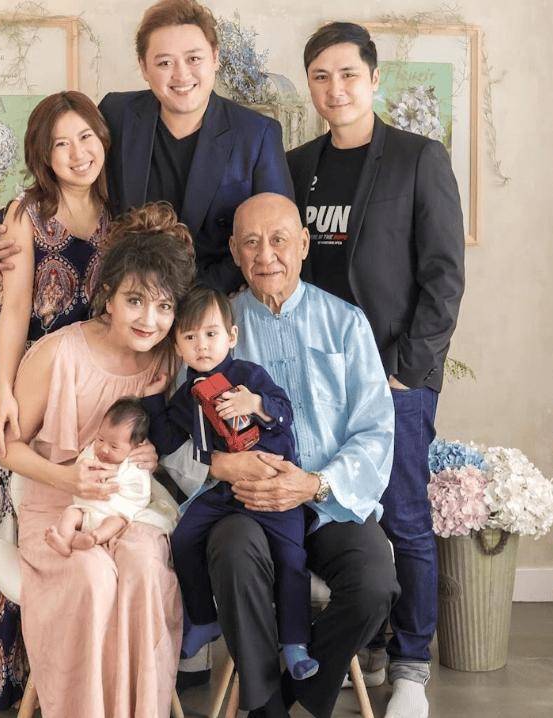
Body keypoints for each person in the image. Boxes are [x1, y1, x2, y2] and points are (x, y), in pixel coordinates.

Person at [160, 192, 399, 718]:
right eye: (251, 242)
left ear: (304, 245)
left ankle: (290, 695)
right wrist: (220, 465)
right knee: (232, 552)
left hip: (329, 501)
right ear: (234, 252)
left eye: (278, 240)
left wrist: (314, 483)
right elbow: (176, 438)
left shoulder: (345, 323)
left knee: (375, 584)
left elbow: (376, 431)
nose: (265, 254)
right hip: (245, 502)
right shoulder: (213, 330)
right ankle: (267, 709)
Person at [287, 22, 465, 718]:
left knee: (405, 517)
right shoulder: (296, 164)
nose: (335, 89)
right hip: (314, 381)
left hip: (391, 377)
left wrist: (408, 370)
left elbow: (443, 274)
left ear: (374, 80)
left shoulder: (418, 158)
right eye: (320, 77)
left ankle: (411, 666)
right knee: (334, 512)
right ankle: (360, 643)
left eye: (348, 75)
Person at [0, 202, 195, 717]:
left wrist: (153, 454)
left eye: (164, 306)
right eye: (135, 301)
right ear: (108, 295)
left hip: (129, 512)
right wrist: (68, 478)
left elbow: (172, 445)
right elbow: (7, 448)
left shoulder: (169, 361)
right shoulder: (57, 354)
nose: (149, 320)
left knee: (144, 569)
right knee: (92, 576)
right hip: (58, 510)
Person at [0, 91, 113, 709]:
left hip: (82, 385)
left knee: (65, 505)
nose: (78, 153)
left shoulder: (117, 214)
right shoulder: (28, 213)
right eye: (60, 144)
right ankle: (11, 669)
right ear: (43, 156)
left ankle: (73, 661)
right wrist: (3, 394)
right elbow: (15, 308)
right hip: (21, 377)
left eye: (86, 137)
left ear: (103, 138)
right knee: (7, 508)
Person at [0, 0, 294, 296]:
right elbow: (67, 175)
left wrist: (189, 299)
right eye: (164, 62)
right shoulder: (118, 114)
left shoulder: (257, 134)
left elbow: (282, 235)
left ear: (215, 58)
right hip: (126, 303)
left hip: (213, 308)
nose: (181, 74)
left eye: (194, 58)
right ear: (144, 67)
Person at [142, 285, 318, 681]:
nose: (202, 345)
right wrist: (153, 399)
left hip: (274, 486)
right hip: (222, 493)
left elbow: (285, 413)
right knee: (183, 539)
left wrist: (254, 404)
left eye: (211, 333)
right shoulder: (186, 396)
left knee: (292, 558)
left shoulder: (248, 377)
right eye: (190, 337)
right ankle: (204, 619)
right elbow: (167, 439)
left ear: (231, 336)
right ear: (178, 346)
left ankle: (295, 642)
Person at [45, 397, 153, 556]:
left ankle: (94, 537)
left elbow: (141, 495)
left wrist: (116, 484)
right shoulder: (91, 453)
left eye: (114, 446)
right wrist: (91, 473)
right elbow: (79, 469)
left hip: (112, 513)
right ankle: (64, 541)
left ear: (136, 447)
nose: (104, 449)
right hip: (86, 510)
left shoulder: (135, 466)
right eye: (100, 439)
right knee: (70, 514)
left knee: (116, 523)